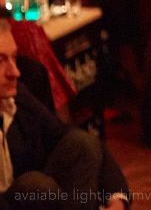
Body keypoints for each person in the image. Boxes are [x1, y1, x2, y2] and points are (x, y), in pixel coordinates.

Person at [0, 20, 130, 210]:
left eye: (14, 58)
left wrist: (117, 200)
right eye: (1, 61)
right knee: (35, 186)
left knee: (81, 144)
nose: (15, 72)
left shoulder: (16, 97)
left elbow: (70, 136)